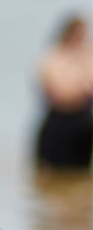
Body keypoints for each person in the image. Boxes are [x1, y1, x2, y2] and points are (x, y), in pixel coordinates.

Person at [34, 15, 93, 170]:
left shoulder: (87, 56)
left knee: (79, 170)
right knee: (49, 168)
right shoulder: (53, 56)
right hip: (57, 118)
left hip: (82, 119)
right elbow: (49, 87)